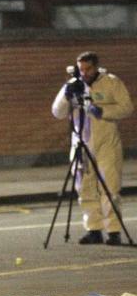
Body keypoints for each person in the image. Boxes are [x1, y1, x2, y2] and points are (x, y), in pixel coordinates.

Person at [52, 51, 134, 245]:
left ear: (96, 66)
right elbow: (57, 112)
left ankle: (113, 231)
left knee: (110, 187)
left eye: (88, 68)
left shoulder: (111, 82)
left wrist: (104, 111)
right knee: (85, 188)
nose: (85, 72)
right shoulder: (73, 85)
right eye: (81, 69)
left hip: (107, 142)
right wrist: (66, 95)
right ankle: (93, 228)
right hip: (81, 143)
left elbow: (126, 107)